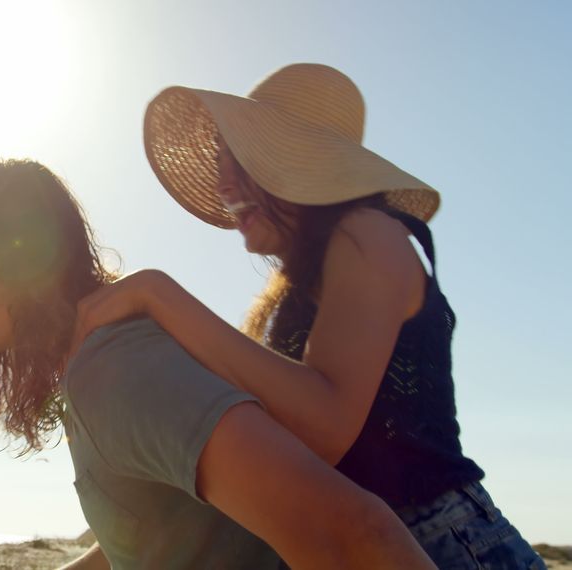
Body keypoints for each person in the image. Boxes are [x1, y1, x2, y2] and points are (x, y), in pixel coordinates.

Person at [70, 63, 545, 569]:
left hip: (444, 544)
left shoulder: (370, 233)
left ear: (302, 163)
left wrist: (159, 295)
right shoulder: (294, 290)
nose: (223, 182)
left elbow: (326, 426)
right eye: (219, 160)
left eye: (242, 161)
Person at [0, 159, 436, 569]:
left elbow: (353, 533)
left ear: (23, 251)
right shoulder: (98, 367)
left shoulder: (118, 369)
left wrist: (158, 291)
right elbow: (170, 530)